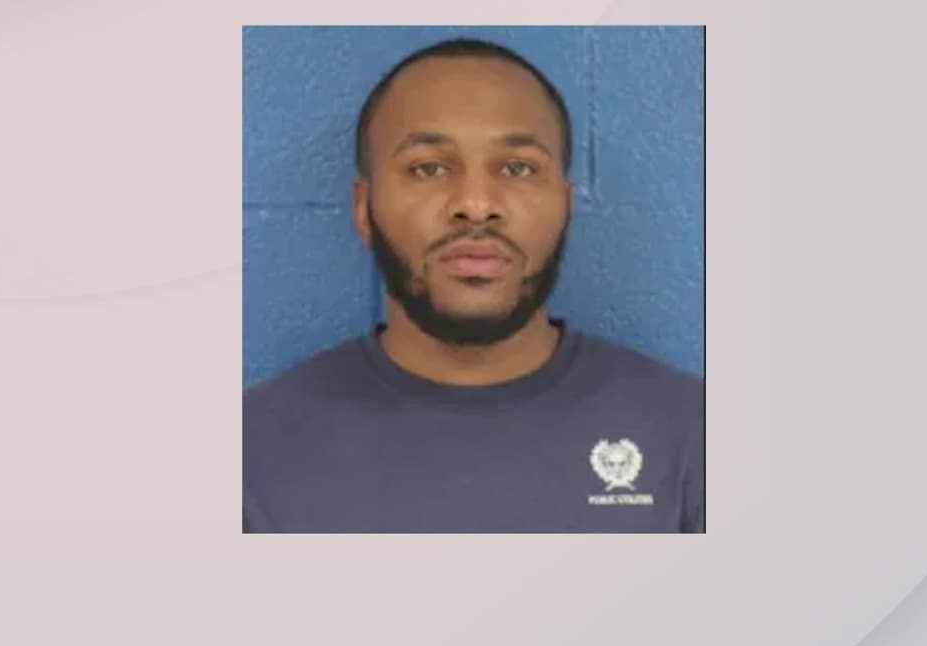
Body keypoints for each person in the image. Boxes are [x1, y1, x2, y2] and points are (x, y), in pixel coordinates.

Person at [243, 38, 704, 532]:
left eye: (518, 168)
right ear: (363, 209)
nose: (477, 205)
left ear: (566, 205)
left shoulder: (692, 433)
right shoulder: (250, 452)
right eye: (429, 168)